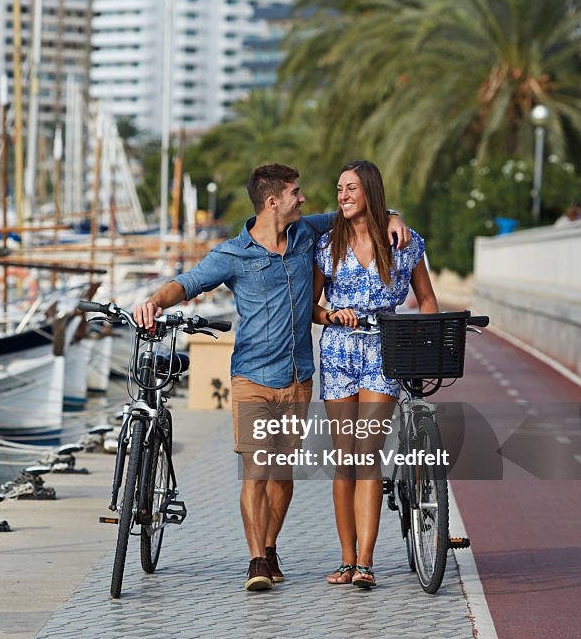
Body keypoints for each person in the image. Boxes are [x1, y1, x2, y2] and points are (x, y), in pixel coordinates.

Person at [133, 163, 410, 591]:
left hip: (298, 378)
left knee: (282, 475)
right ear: (272, 201)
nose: (303, 199)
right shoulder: (233, 254)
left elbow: (356, 213)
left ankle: (271, 545)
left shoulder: (305, 236)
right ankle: (256, 560)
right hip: (251, 377)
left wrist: (393, 216)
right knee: (256, 470)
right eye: (296, 193)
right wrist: (153, 302)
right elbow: (186, 284)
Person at [310, 159, 438, 589]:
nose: (342, 196)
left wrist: (424, 342)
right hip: (339, 352)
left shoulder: (403, 241)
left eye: (350, 189)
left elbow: (426, 300)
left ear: (370, 192)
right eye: (339, 189)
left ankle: (365, 562)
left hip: (385, 351)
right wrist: (329, 314)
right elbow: (310, 306)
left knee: (367, 455)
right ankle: (345, 560)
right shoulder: (328, 245)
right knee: (344, 461)